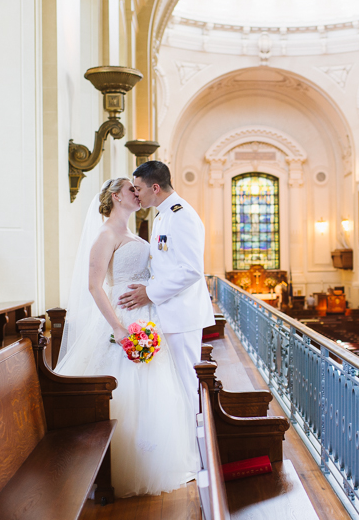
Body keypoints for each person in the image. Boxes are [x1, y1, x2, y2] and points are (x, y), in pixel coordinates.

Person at [55, 177, 198, 498]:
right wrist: (119, 329)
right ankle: (118, 465)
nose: (138, 194)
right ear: (116, 197)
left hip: (146, 316)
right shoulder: (105, 234)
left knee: (153, 386)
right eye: (131, 190)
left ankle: (153, 460)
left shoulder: (131, 234)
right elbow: (94, 285)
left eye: (139, 189)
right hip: (121, 316)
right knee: (125, 386)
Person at [119, 160, 215, 416]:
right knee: (176, 385)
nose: (136, 193)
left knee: (186, 384)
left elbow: (191, 270)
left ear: (156, 187)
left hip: (182, 315)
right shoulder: (164, 215)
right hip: (170, 311)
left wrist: (149, 293)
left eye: (138, 188)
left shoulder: (181, 215)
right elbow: (165, 266)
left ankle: (197, 449)